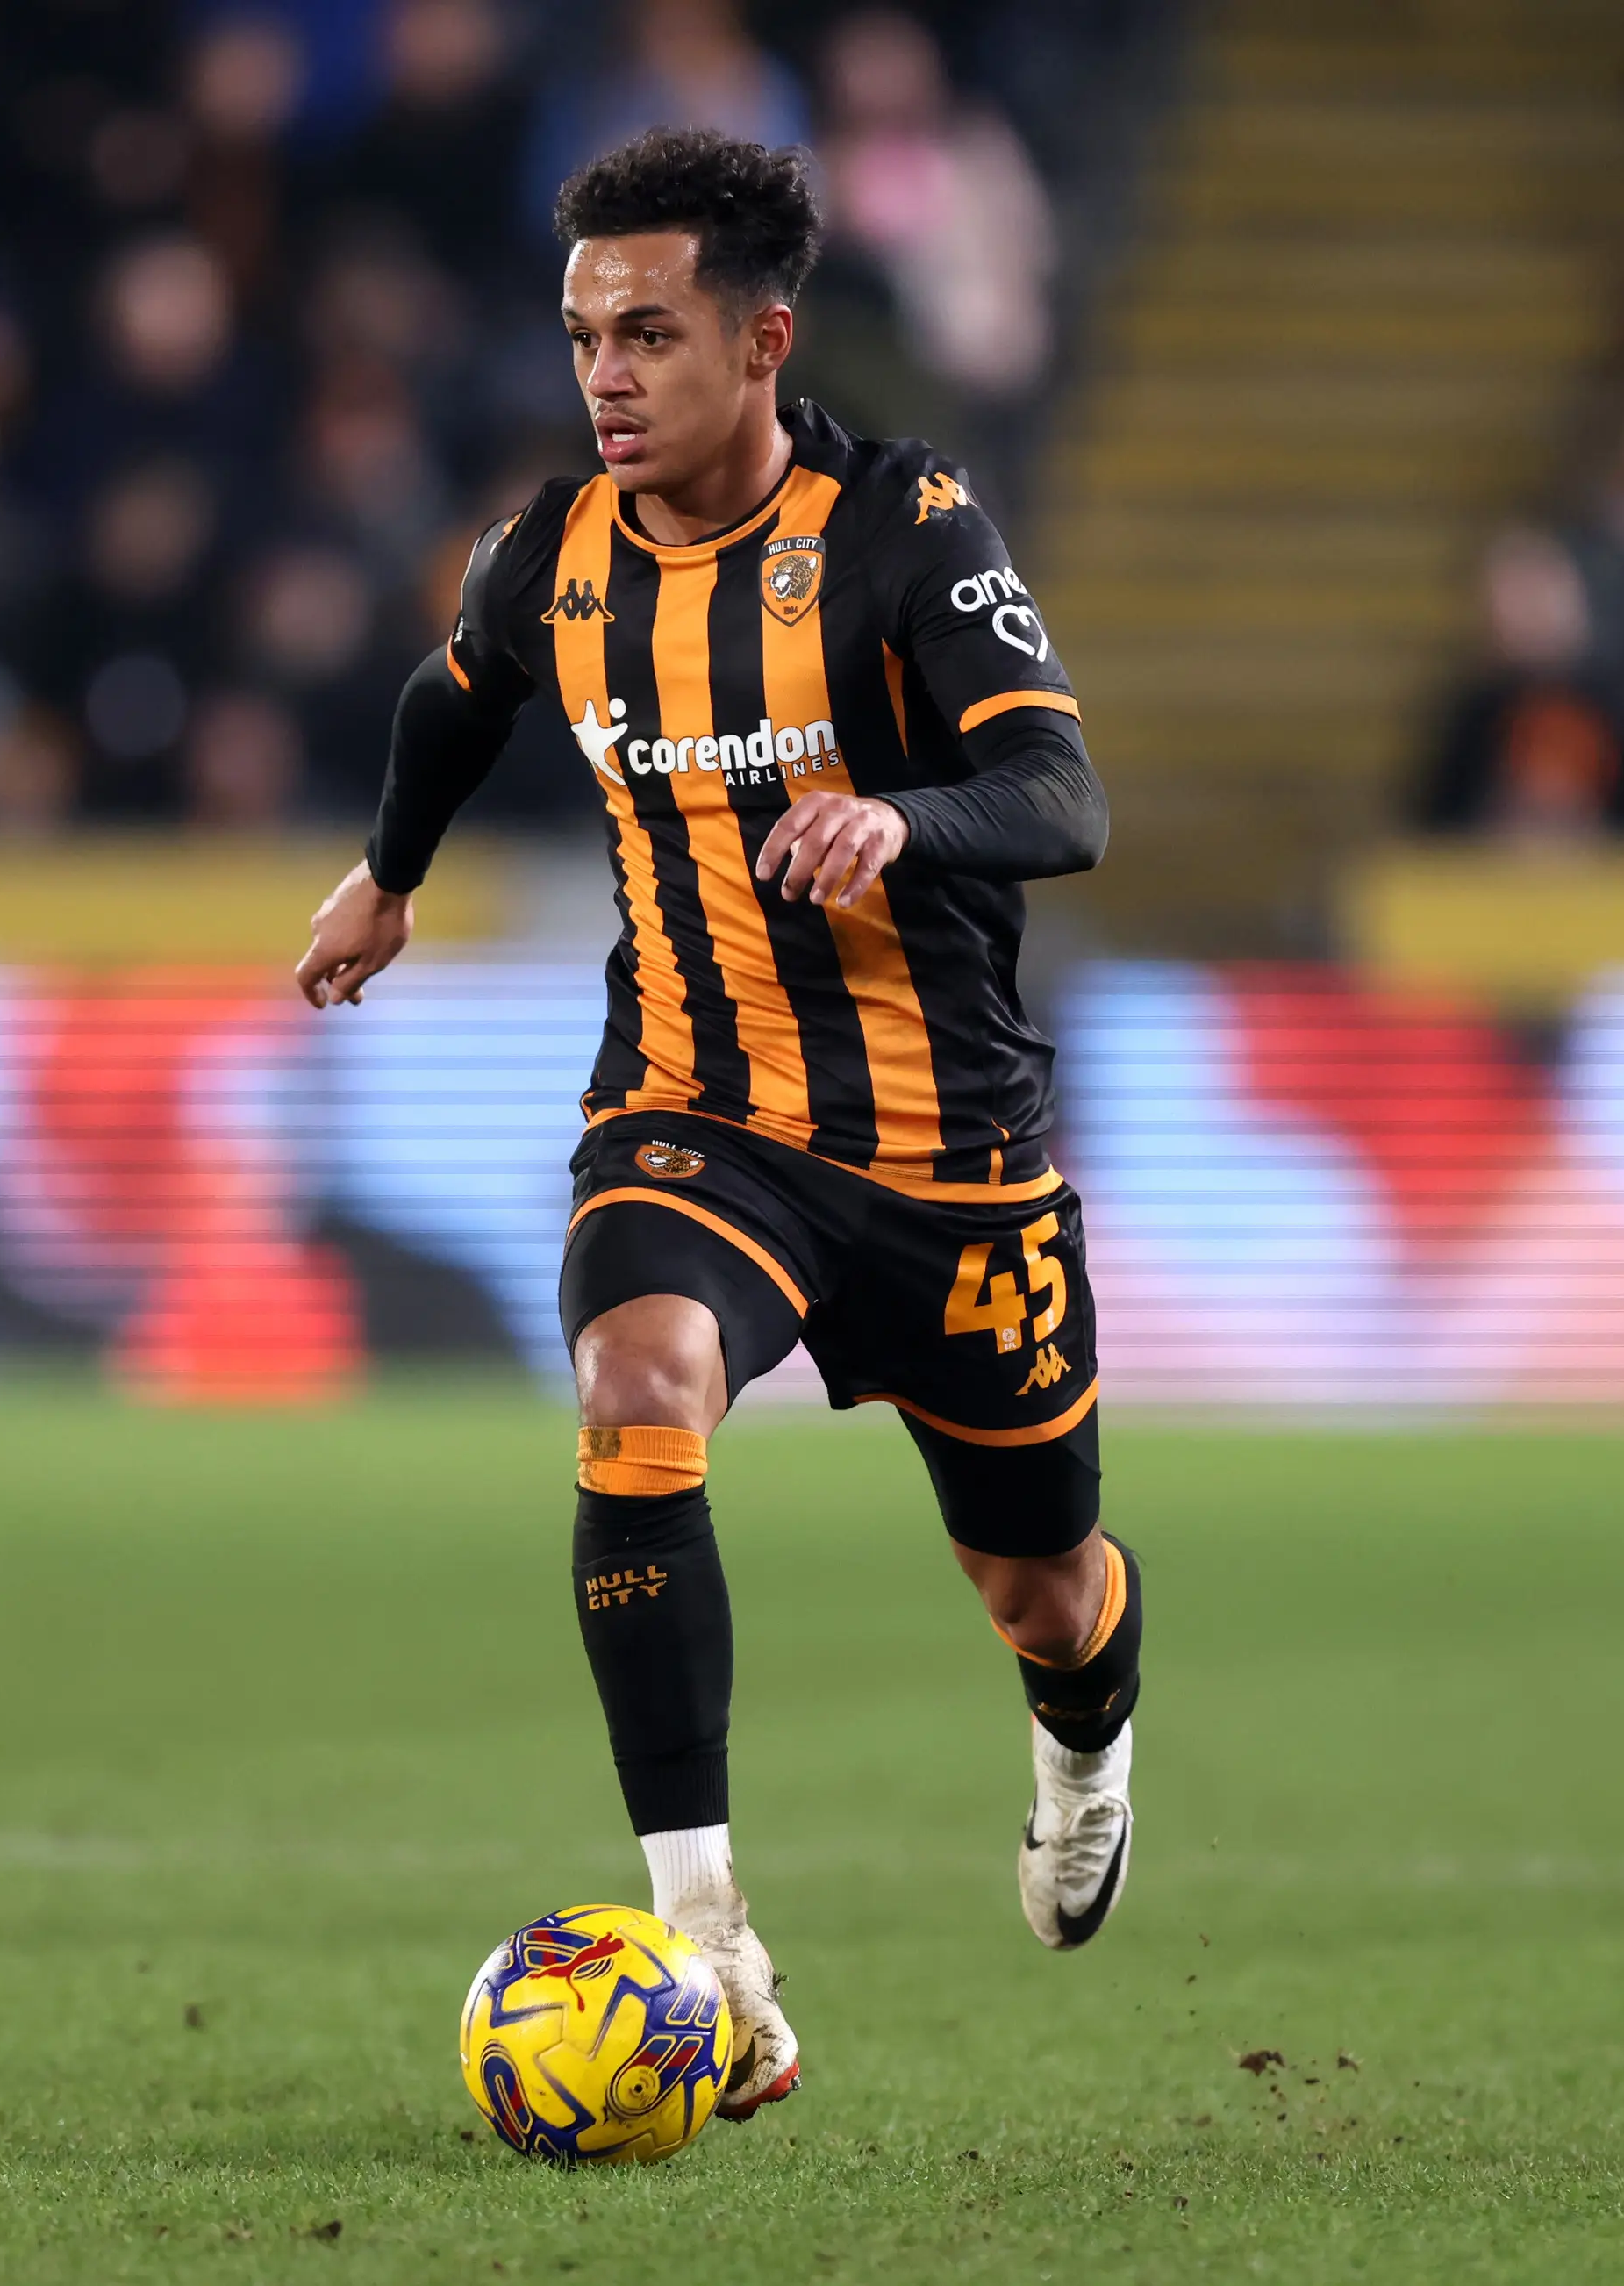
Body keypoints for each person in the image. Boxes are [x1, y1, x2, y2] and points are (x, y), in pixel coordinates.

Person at [292, 127, 1134, 2123]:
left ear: (762, 341)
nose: (605, 373)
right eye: (584, 333)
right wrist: (385, 876)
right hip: (693, 1115)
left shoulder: (907, 529)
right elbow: (449, 699)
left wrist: (897, 819)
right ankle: (708, 1942)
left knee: (1041, 1585)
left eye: (648, 334)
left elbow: (1063, 799)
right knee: (636, 1384)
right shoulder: (550, 553)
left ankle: (1086, 1738)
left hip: (946, 1154)